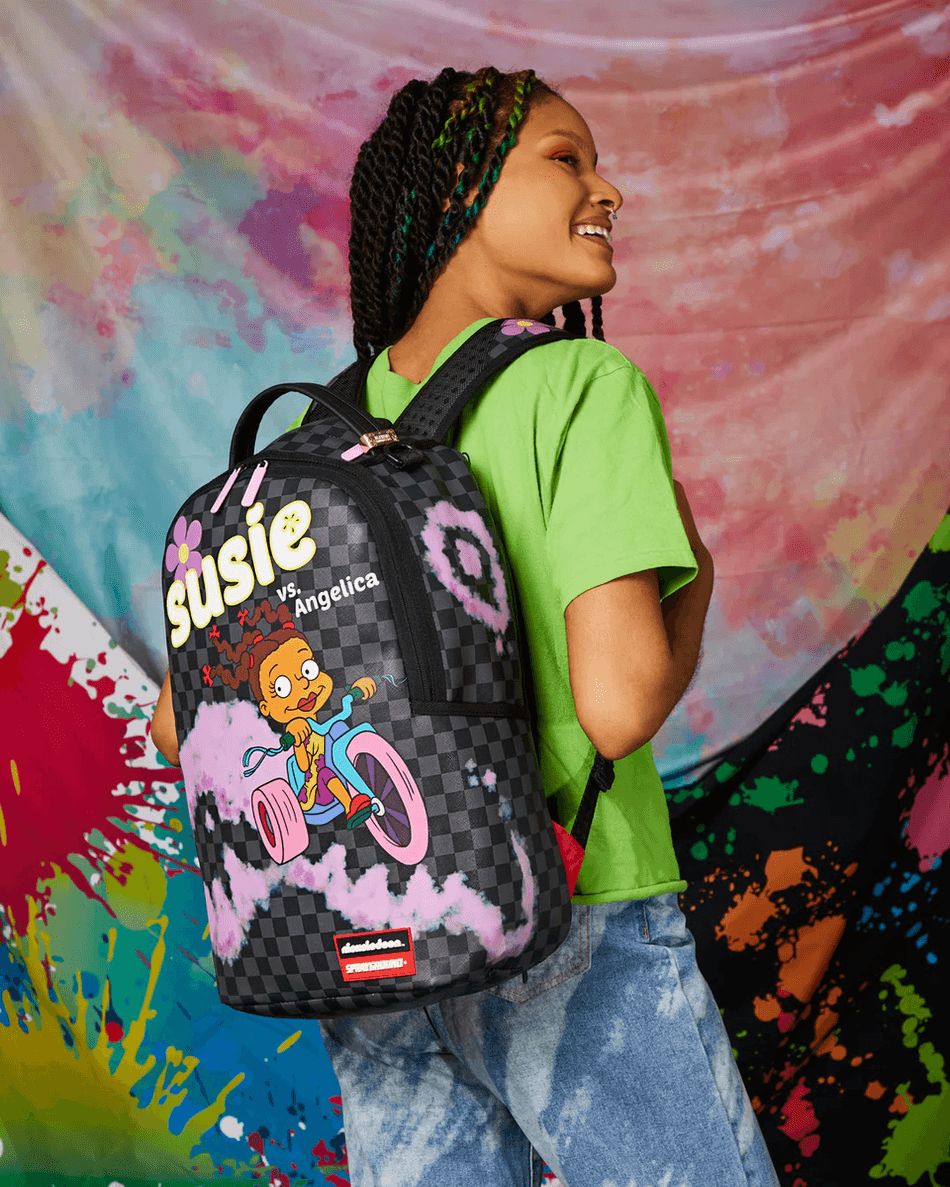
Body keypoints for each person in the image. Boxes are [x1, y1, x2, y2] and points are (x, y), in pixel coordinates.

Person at [152, 65, 780, 1187]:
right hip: (571, 907)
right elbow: (617, 706)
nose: (606, 190)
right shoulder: (579, 383)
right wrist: (693, 584)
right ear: (459, 189)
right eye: (566, 159)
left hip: (369, 940)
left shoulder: (307, 440)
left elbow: (177, 724)